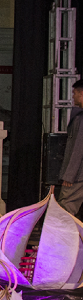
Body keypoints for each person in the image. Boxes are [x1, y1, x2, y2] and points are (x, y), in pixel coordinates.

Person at [58, 79, 83, 216]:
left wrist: (69, 175)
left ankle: (63, 231)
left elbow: (78, 148)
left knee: (66, 207)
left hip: (78, 175)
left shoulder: (80, 119)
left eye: (75, 93)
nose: (73, 96)